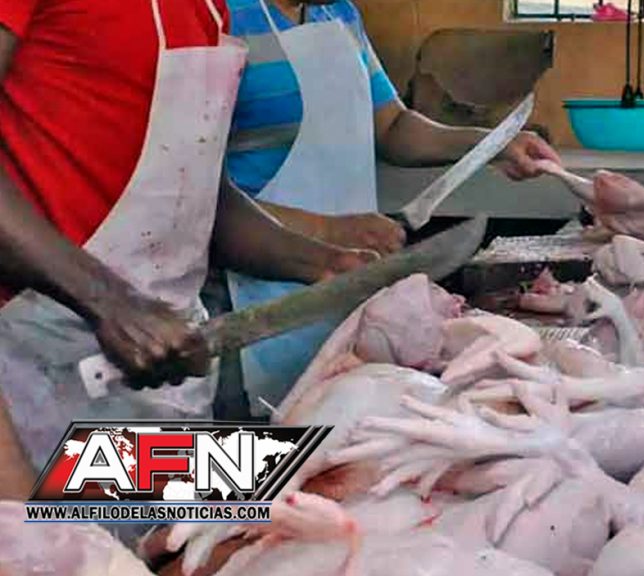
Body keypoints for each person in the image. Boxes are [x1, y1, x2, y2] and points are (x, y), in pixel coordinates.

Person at [0, 0, 379, 498]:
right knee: (63, 538)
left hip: (167, 367)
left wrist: (323, 262)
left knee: (298, 496)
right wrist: (110, 303)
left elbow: (200, 194)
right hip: (38, 355)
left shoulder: (208, 10)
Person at [222, 0, 563, 411]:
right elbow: (198, 195)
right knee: (262, 441)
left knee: (337, 421)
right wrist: (329, 230)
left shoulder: (339, 14)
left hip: (346, 285)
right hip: (248, 300)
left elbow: (392, 125)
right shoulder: (219, 17)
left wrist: (490, 144)